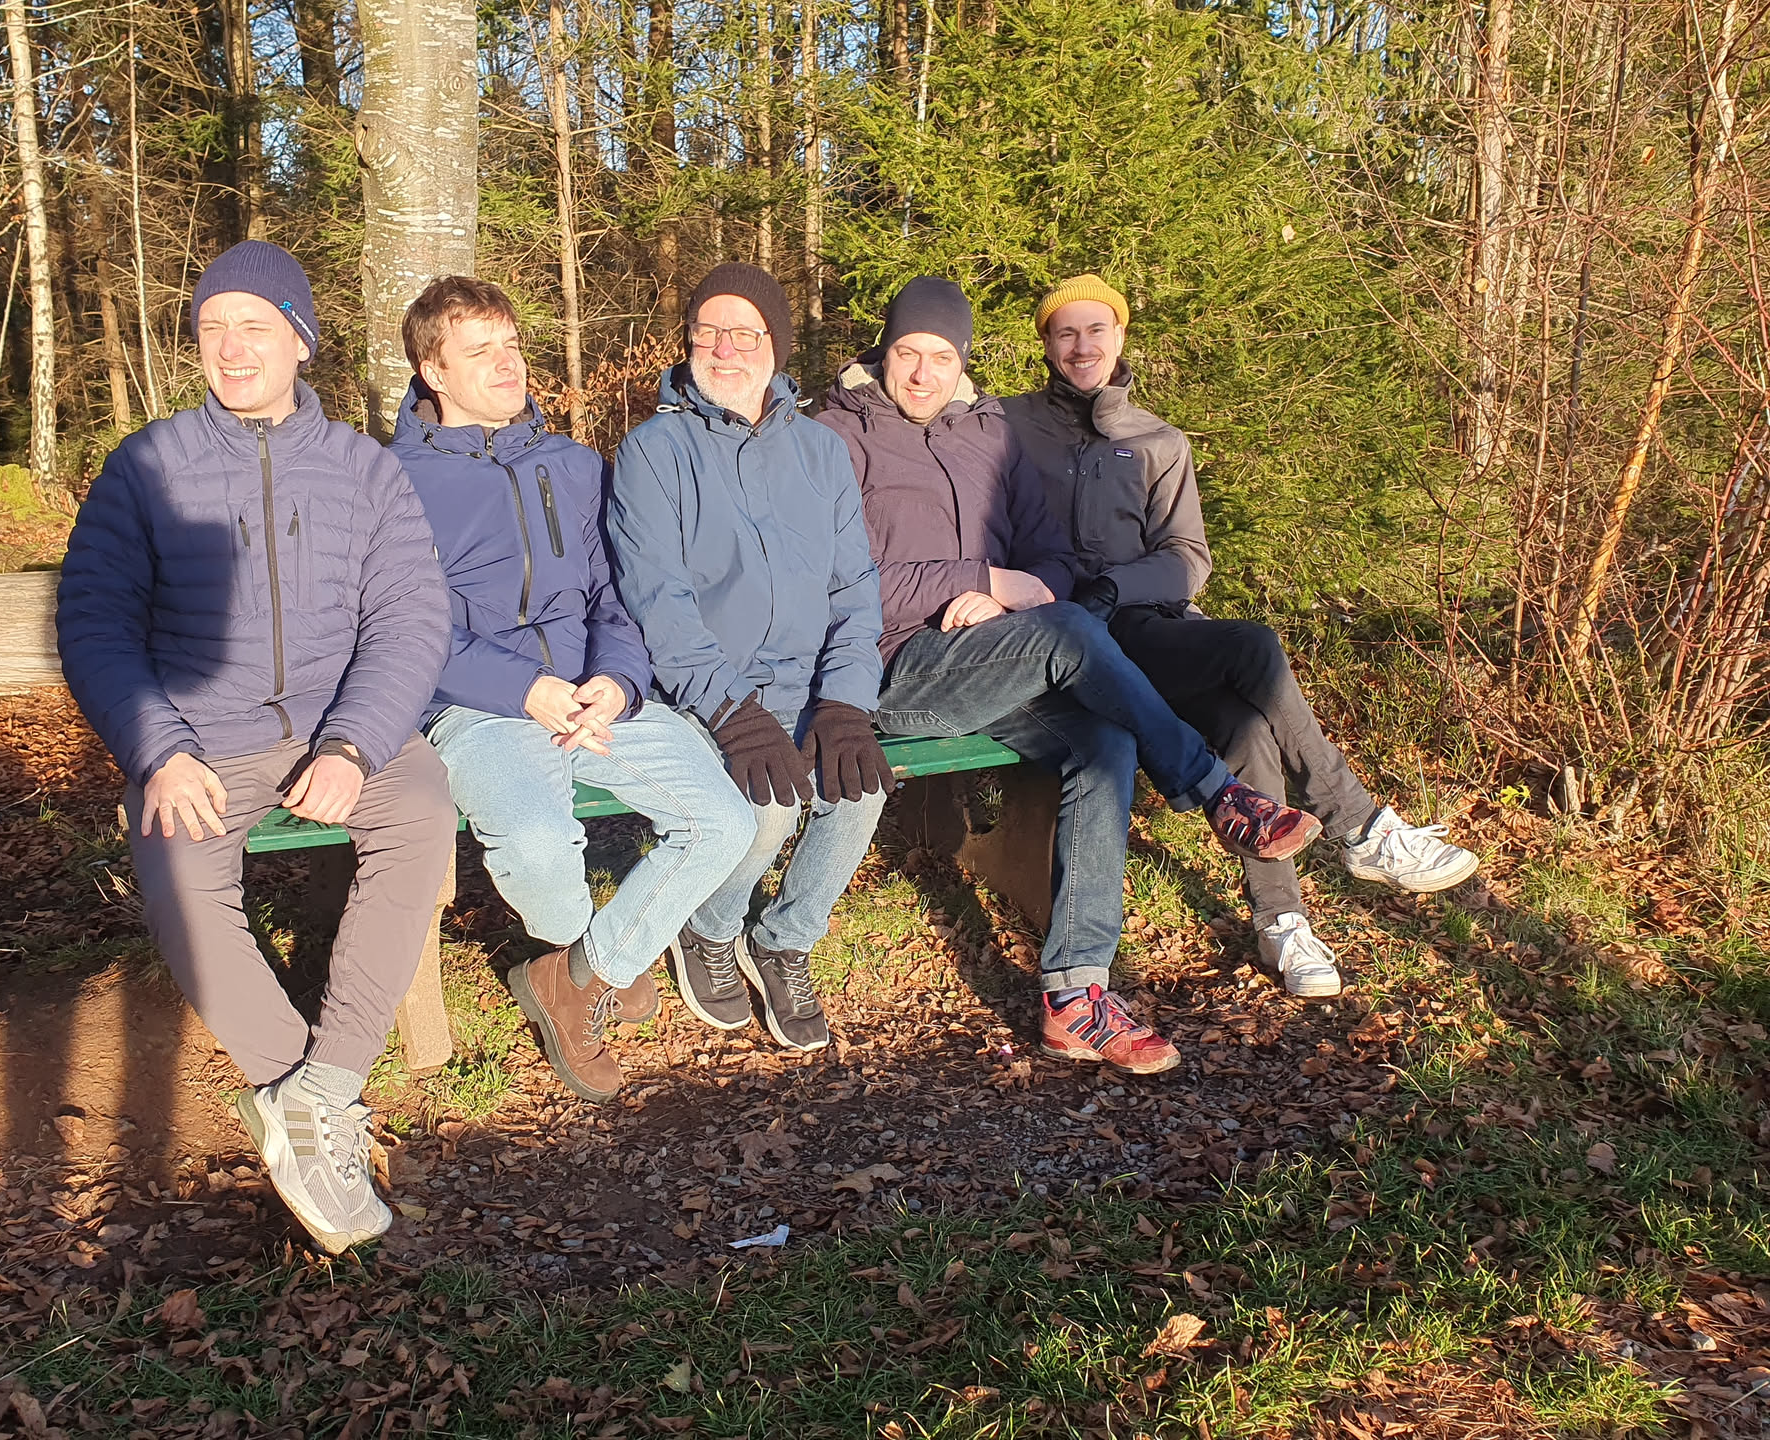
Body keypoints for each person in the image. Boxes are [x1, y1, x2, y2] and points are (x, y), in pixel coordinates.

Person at [819, 276, 1326, 1075]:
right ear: (885, 351)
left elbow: (1051, 556)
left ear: (963, 362)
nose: (922, 373)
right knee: (1067, 630)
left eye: (942, 357)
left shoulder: (988, 433)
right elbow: (838, 579)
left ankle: (1075, 994)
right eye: (908, 352)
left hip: (994, 658)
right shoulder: (834, 436)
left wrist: (1012, 589)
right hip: (890, 667)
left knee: (1104, 743)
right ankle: (1214, 790)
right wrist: (981, 577)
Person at [55, 240, 455, 1252]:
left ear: (301, 341)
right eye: (212, 329)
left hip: (339, 729)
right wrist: (159, 747)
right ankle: (297, 1090)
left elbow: (410, 621)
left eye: (254, 326)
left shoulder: (365, 469)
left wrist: (355, 745)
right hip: (203, 741)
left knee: (420, 810)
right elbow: (95, 623)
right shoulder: (147, 467)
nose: (232, 348)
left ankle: (326, 1086)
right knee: (181, 867)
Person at [1004, 274, 1480, 997]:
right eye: (1065, 332)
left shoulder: (1158, 441)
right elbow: (928, 409)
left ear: (1120, 336)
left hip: (1140, 627)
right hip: (1056, 638)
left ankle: (1281, 922)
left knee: (1249, 713)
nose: (1082, 345)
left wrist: (1116, 588)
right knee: (1253, 672)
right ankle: (1359, 826)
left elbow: (1188, 557)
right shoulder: (1007, 425)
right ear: (1046, 344)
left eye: (1096, 329)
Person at [389, 275, 756, 1103]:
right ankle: (583, 953)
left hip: (594, 691)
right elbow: (409, 629)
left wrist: (617, 682)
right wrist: (525, 690)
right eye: (480, 351)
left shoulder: (576, 465)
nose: (507, 364)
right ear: (433, 371)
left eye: (512, 345)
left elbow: (615, 594)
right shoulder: (393, 482)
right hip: (479, 708)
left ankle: (576, 977)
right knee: (540, 849)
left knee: (724, 820)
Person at [607, 263, 893, 1054]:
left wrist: (845, 703)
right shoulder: (654, 452)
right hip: (706, 692)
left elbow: (854, 590)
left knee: (860, 789)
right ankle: (708, 926)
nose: (725, 349)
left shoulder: (821, 452)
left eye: (744, 333)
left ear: (777, 345)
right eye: (708, 332)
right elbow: (658, 602)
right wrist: (734, 714)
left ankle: (785, 940)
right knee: (765, 808)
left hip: (806, 685)